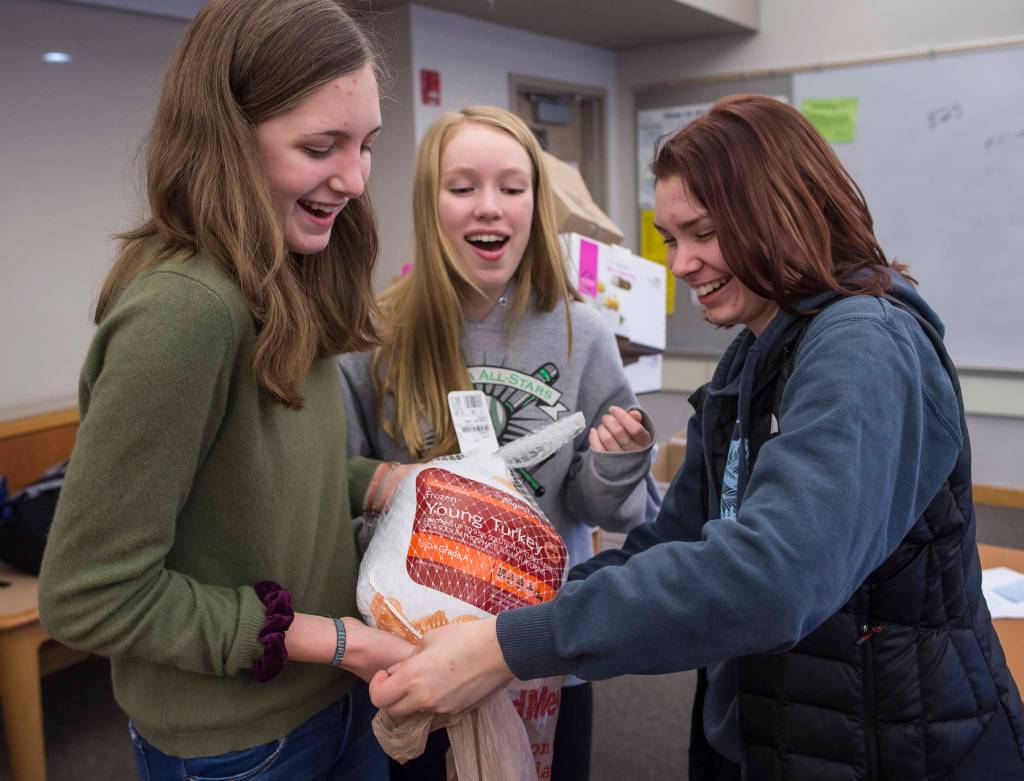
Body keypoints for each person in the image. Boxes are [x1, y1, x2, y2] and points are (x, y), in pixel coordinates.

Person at [368, 94, 1024, 780]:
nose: (681, 264)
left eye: (703, 233)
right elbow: (674, 538)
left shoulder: (864, 346)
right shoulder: (754, 351)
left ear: (782, 210)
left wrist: (507, 646)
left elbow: (774, 575)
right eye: (671, 238)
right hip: (784, 729)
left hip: (893, 745)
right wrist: (502, 622)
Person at [37, 1, 415, 778]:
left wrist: (385, 481)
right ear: (227, 138)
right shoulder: (187, 309)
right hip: (241, 740)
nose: (353, 178)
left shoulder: (286, 270)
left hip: (332, 701)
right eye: (321, 146)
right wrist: (330, 637)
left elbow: (251, 476)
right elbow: (88, 594)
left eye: (366, 145)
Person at [339, 105, 657, 780]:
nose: (490, 208)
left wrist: (618, 464)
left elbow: (609, 511)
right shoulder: (376, 332)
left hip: (542, 646)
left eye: (512, 188)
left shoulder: (583, 333)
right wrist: (390, 482)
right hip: (415, 652)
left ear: (536, 205)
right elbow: (331, 480)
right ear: (431, 202)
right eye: (462, 188)